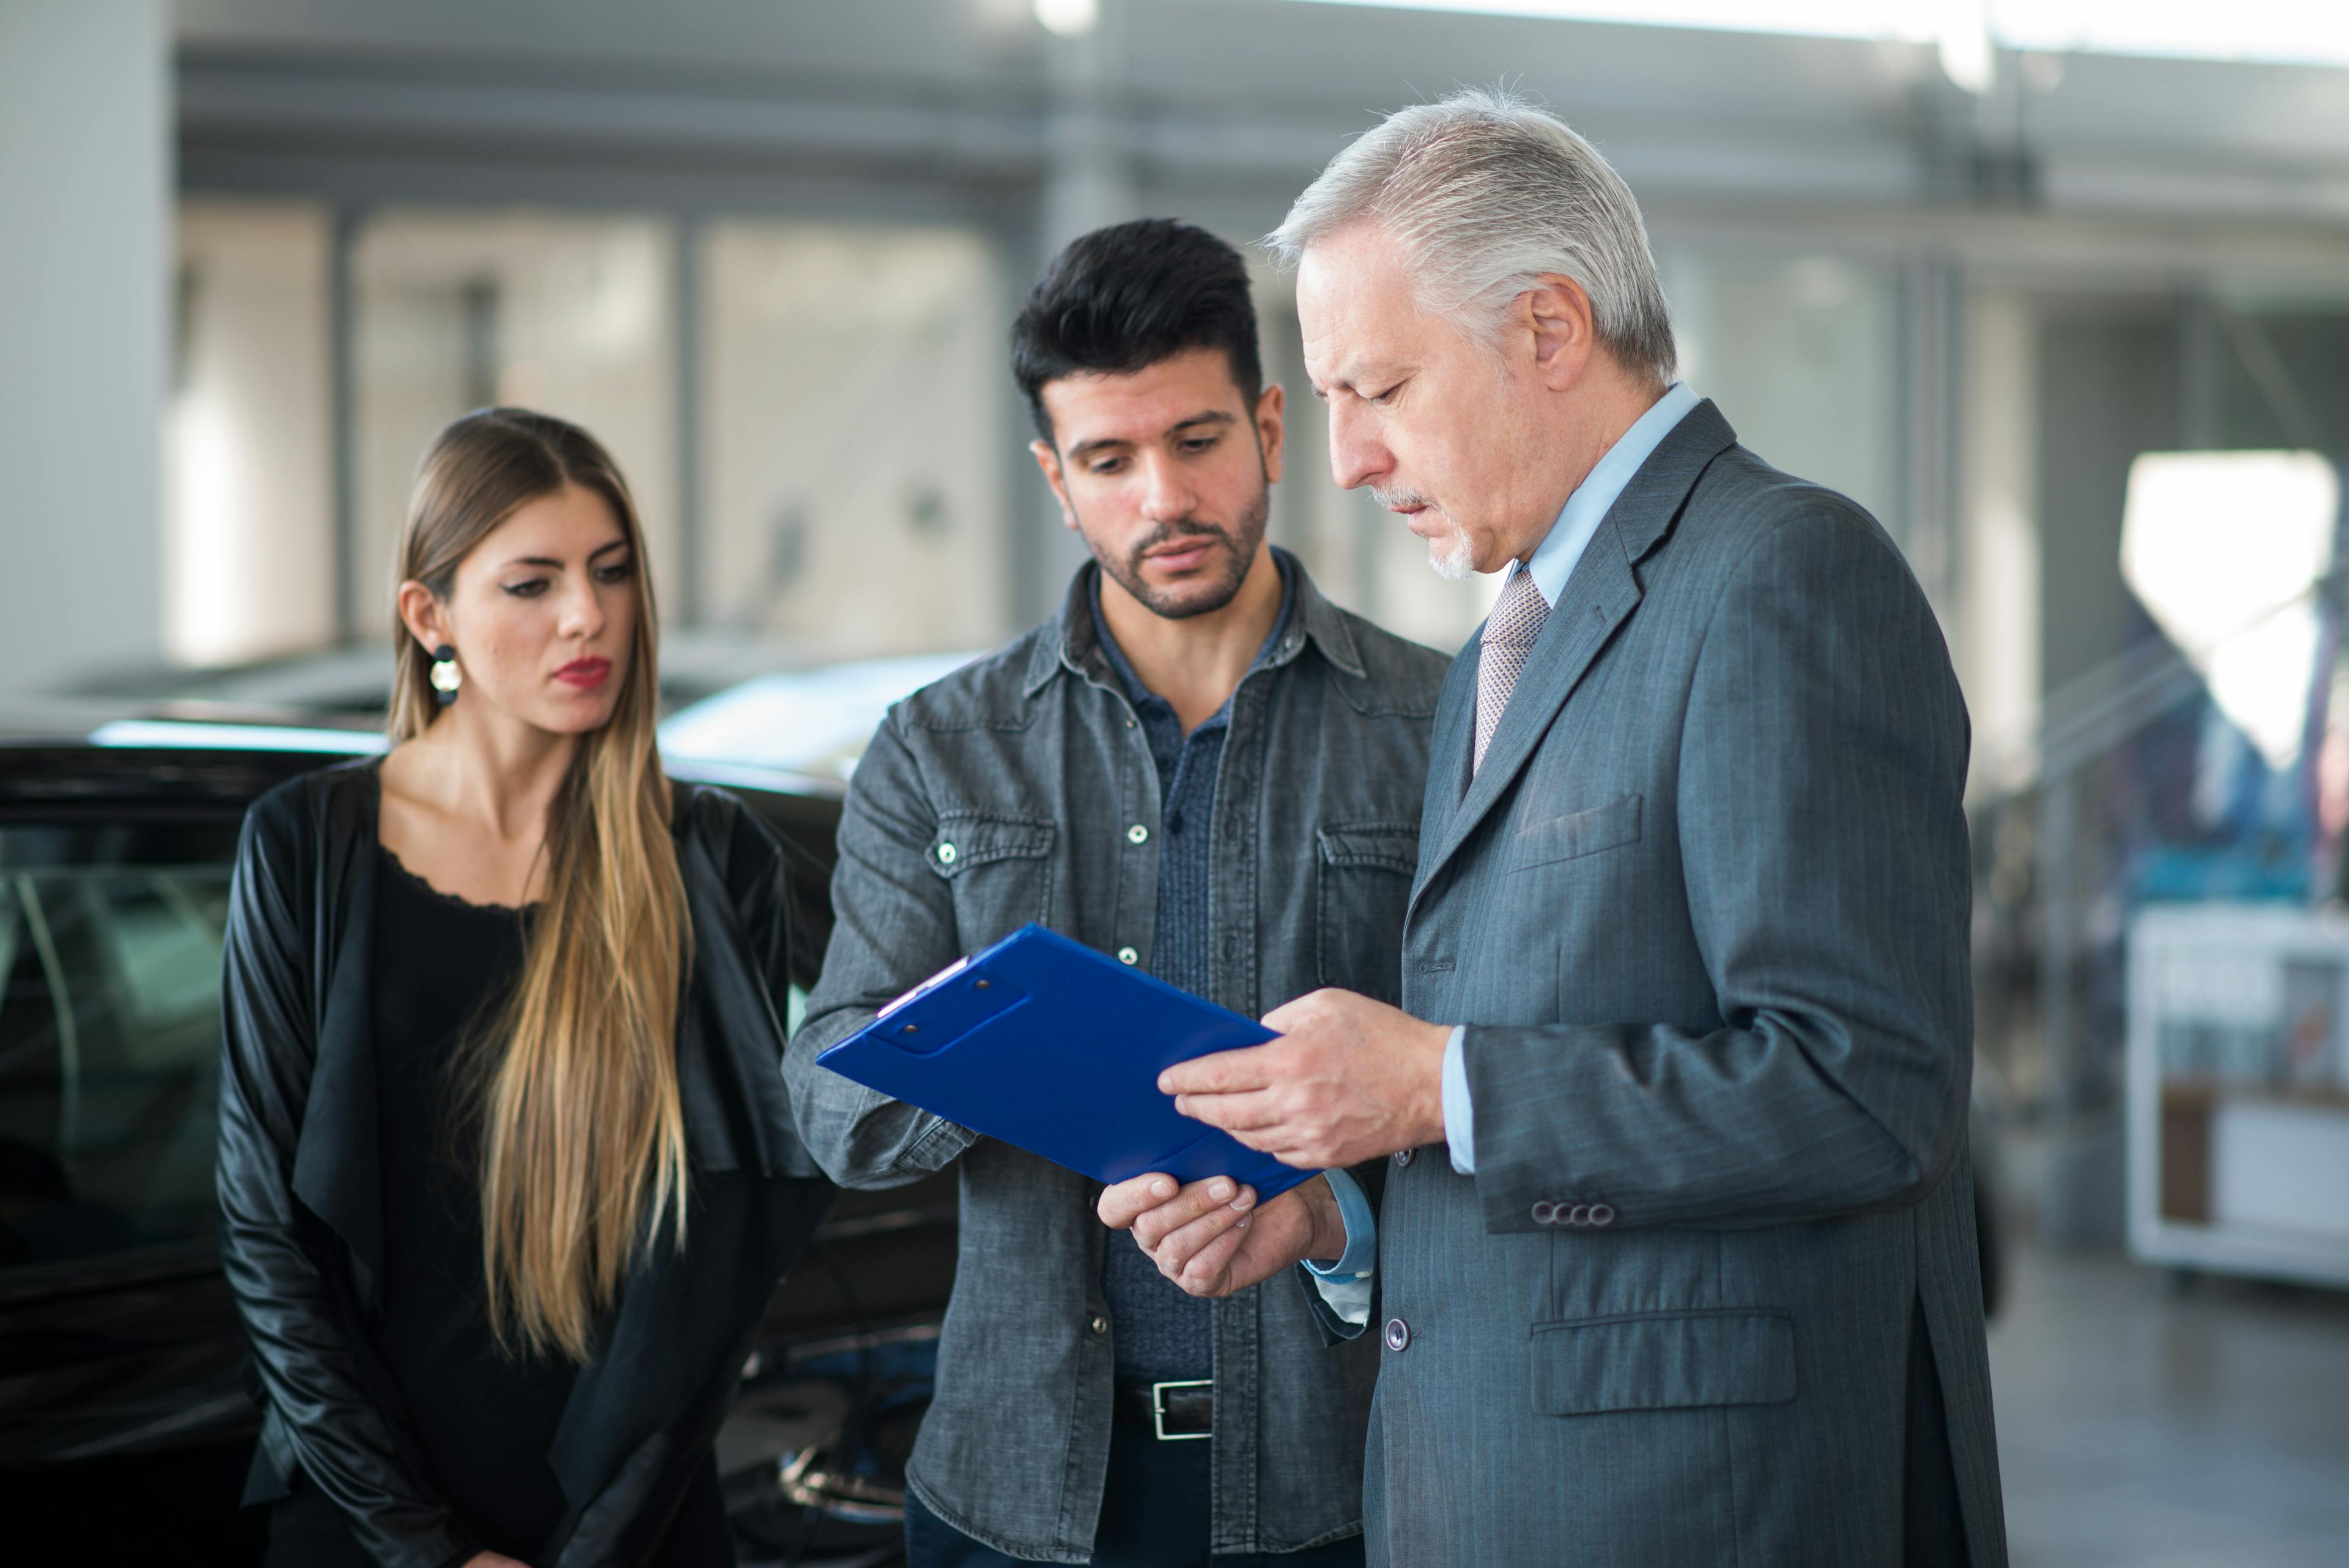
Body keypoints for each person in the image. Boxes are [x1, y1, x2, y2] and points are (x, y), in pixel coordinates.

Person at [1105, 91, 2010, 1567]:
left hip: (1702, 1515)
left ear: (1547, 329)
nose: (1341, 460)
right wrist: (1339, 1219)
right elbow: (1553, 1096)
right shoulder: (1499, 645)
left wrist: (1433, 1085)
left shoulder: (1783, 575)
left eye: (1380, 390)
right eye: (1329, 398)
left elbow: (1869, 1090)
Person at [784, 218, 1449, 1568]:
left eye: (1196, 440)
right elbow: (830, 1106)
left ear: (1270, 423)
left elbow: (1488, 1084)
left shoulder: (1440, 728)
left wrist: (1337, 1215)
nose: (1162, 496)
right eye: (1109, 459)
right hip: (1017, 1499)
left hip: (1345, 1484)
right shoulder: (936, 747)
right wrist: (968, 1045)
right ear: (1055, 477)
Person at [217, 409, 834, 1568]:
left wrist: (596, 1550)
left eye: (610, 573)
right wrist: (421, 1547)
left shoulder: (710, 856)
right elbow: (267, 1231)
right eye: (532, 583)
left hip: (635, 1525)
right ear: (429, 616)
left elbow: (726, 1258)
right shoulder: (308, 843)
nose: (586, 616)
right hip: (366, 1519)